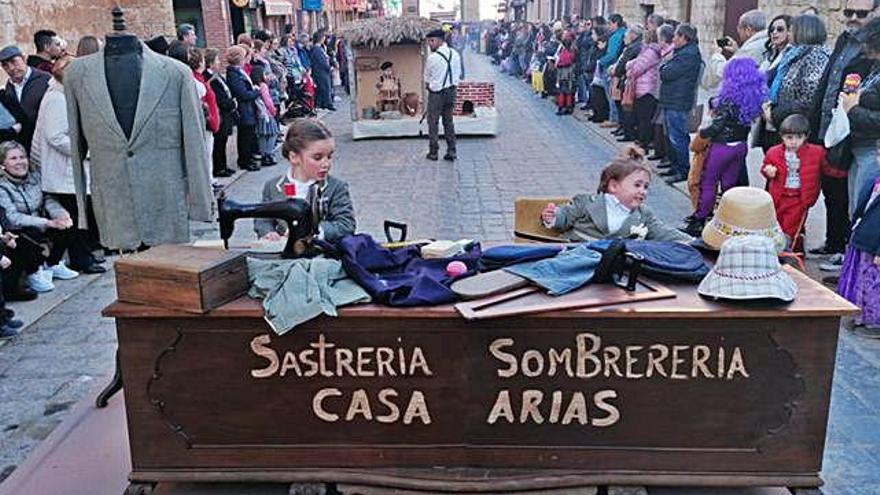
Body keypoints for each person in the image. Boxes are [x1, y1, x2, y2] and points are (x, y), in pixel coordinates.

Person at [811, 0, 880, 263]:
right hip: (846, 139)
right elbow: (829, 82)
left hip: (868, 147)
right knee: (847, 203)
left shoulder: (870, 56)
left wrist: (852, 108)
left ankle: (852, 261)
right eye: (848, 11)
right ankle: (841, 250)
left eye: (860, 13)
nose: (852, 17)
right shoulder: (846, 42)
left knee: (862, 211)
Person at [30, 56, 106, 275]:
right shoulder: (57, 98)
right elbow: (56, 136)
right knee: (72, 218)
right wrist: (84, 150)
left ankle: (73, 259)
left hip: (69, 170)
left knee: (74, 218)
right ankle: (74, 260)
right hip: (63, 171)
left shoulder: (64, 94)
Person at [540, 145, 691, 243]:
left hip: (616, 270)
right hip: (577, 258)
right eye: (637, 185)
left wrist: (694, 243)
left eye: (645, 186)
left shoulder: (644, 214)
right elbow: (565, 215)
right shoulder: (586, 202)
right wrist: (553, 216)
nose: (642, 191)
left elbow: (664, 233)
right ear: (614, 186)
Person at [255, 118, 355, 244]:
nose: (326, 164)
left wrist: (315, 231)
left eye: (329, 156)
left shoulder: (336, 187)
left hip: (322, 255)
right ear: (294, 157)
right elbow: (263, 219)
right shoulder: (273, 187)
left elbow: (346, 224)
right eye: (317, 157)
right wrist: (268, 232)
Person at [0, 141, 80, 295]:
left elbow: (48, 200)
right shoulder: (2, 186)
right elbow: (13, 217)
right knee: (29, 233)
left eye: (22, 157)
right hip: (17, 229)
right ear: (3, 164)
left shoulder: (35, 177)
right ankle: (34, 272)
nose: (20, 162)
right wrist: (48, 223)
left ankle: (52, 264)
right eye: (13, 158)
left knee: (70, 222)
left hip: (41, 222)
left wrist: (61, 215)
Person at [761, 14, 830, 151]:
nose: (789, 33)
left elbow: (809, 99)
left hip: (799, 131)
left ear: (803, 31)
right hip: (787, 124)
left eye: (792, 30)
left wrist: (774, 114)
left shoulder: (816, 57)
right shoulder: (796, 55)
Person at [761, 114, 824, 253]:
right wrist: (768, 171)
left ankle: (786, 252)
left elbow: (827, 168)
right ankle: (778, 250)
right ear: (782, 136)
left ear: (806, 136)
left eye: (798, 137)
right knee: (776, 224)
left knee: (791, 227)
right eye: (789, 137)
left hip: (800, 198)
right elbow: (765, 166)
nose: (794, 142)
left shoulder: (816, 153)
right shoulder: (774, 152)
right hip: (779, 195)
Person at [840, 17, 880, 215]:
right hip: (860, 146)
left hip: (873, 150)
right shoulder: (874, 67)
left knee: (863, 210)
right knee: (854, 209)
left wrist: (853, 109)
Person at [837, 170, 880, 338]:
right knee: (860, 282)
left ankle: (875, 322)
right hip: (862, 240)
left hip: (875, 246)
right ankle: (861, 317)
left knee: (874, 286)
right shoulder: (873, 180)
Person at [658, 24, 702, 184]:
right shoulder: (682, 52)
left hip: (678, 100)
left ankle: (682, 169)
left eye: (677, 36)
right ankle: (675, 165)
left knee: (678, 137)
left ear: (685, 38)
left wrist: (664, 67)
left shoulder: (689, 55)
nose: (674, 39)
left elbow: (667, 72)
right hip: (673, 99)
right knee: (672, 135)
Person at [0, 45, 51, 151]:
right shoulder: (9, 88)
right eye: (6, 66)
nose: (11, 68)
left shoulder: (45, 80)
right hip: (21, 146)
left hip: (44, 142)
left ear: (23, 58)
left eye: (14, 62)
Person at [424, 28, 462, 162]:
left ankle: (433, 152)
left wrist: (431, 85)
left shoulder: (432, 58)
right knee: (448, 122)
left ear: (440, 41)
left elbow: (427, 80)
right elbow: (459, 74)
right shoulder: (455, 54)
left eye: (432, 41)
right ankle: (452, 150)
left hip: (437, 94)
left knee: (433, 122)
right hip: (451, 91)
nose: (430, 44)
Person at [626, 25, 662, 151]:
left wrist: (629, 70)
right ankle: (641, 141)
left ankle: (643, 143)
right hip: (642, 87)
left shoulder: (651, 52)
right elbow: (634, 63)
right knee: (641, 117)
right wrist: (629, 66)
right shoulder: (646, 50)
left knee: (644, 119)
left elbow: (637, 68)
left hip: (646, 89)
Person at [226, 45, 261, 172]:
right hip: (243, 108)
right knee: (245, 135)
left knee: (250, 133)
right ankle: (244, 160)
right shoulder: (233, 74)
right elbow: (242, 94)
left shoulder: (239, 71)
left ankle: (249, 157)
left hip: (248, 108)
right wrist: (256, 92)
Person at [203, 48, 236, 178]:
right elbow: (218, 97)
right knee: (219, 142)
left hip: (226, 113)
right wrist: (230, 103)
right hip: (219, 113)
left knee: (223, 141)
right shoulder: (208, 77)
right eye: (217, 60)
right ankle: (219, 168)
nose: (219, 62)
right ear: (210, 63)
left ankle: (223, 165)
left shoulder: (218, 75)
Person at [597, 14, 626, 127]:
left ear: (615, 23)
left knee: (611, 95)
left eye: (610, 23)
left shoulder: (615, 36)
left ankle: (613, 118)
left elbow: (612, 54)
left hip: (611, 68)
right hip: (618, 68)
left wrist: (601, 61)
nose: (608, 26)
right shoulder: (623, 33)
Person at [251, 65, 279, 168]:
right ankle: (268, 153)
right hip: (267, 113)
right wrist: (273, 110)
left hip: (259, 114)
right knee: (273, 133)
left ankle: (263, 154)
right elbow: (267, 100)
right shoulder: (263, 86)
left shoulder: (254, 86)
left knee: (262, 135)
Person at [310, 31, 335, 111]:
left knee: (326, 87)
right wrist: (329, 67)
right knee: (325, 87)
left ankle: (325, 103)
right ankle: (327, 103)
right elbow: (322, 61)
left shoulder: (320, 48)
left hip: (322, 72)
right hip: (321, 72)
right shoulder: (317, 49)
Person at [555, 31, 577, 115]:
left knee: (561, 90)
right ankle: (569, 107)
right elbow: (574, 60)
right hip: (570, 72)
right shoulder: (574, 49)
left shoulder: (562, 49)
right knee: (569, 90)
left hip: (561, 72)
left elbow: (558, 60)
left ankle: (561, 107)